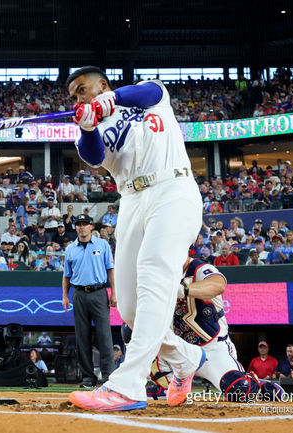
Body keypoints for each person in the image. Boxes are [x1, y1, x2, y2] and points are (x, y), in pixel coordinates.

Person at [66, 66, 206, 411]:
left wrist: (106, 102)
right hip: (131, 200)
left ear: (102, 85)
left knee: (155, 268)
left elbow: (150, 92)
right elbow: (95, 157)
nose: (78, 98)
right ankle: (186, 358)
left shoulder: (151, 98)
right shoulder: (91, 126)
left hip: (172, 188)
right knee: (129, 307)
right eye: (73, 96)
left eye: (82, 89)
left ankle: (128, 385)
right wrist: (87, 126)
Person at [151, 257, 283, 401]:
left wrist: (183, 290)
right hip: (180, 349)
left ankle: (257, 385)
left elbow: (218, 285)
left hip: (212, 349)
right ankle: (166, 387)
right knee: (134, 332)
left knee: (239, 389)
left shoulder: (199, 268)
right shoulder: (158, 272)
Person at [62, 214, 116, 389]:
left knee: (105, 337)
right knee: (81, 337)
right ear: (75, 228)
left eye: (85, 224)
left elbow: (110, 269)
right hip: (78, 294)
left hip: (99, 292)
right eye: (79, 224)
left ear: (92, 227)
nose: (81, 227)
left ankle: (108, 377)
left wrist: (114, 293)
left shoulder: (102, 245)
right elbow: (66, 276)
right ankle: (87, 377)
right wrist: (64, 296)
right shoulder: (70, 249)